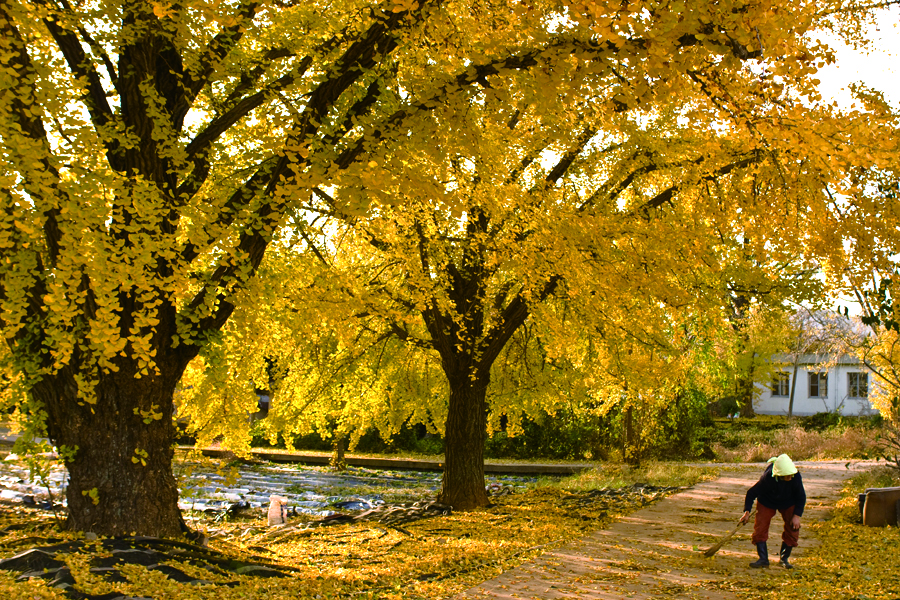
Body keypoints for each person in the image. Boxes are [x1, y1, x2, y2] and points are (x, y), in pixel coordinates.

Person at [739, 454, 806, 569]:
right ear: (779, 475)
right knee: (760, 527)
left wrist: (796, 515)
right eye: (787, 476)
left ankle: (784, 559)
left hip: (789, 501)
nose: (790, 478)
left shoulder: (795, 476)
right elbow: (751, 493)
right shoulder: (768, 479)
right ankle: (763, 559)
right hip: (767, 501)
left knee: (793, 527)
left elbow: (801, 497)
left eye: (791, 475)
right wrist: (747, 512)